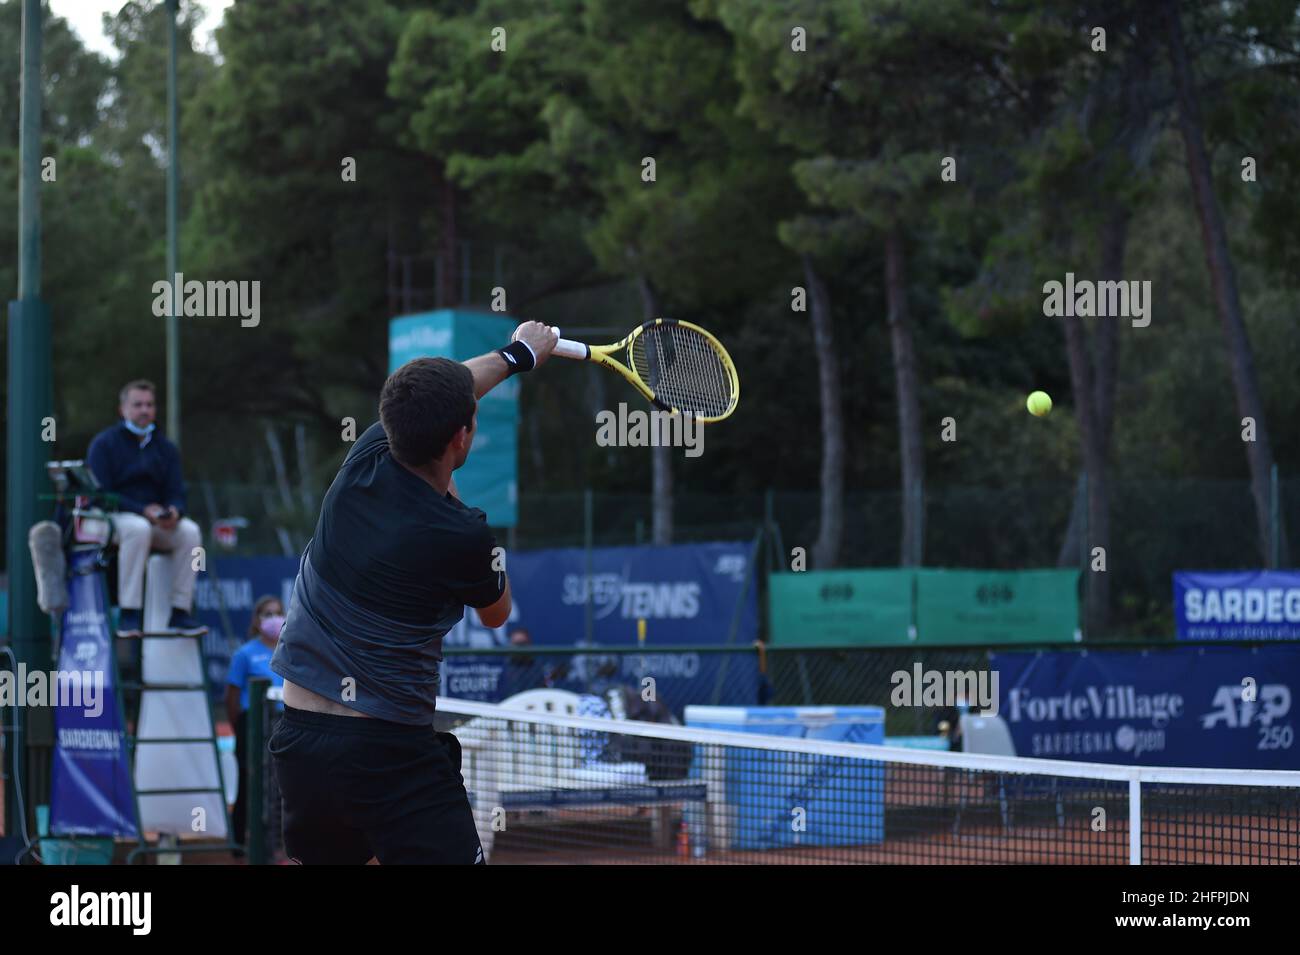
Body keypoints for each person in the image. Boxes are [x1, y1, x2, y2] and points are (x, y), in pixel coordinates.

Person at [269, 321, 558, 865]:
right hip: (387, 752)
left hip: (301, 742)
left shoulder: (362, 460)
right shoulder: (462, 534)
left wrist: (519, 354)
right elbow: (498, 612)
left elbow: (452, 390)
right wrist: (458, 499)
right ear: (461, 438)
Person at [87, 379, 207, 637]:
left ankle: (180, 611)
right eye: (137, 404)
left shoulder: (166, 448)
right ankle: (129, 613)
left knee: (190, 532)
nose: (144, 410)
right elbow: (100, 494)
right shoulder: (104, 444)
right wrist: (143, 510)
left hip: (154, 522)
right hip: (112, 519)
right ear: (123, 409)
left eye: (150, 405)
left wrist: (174, 511)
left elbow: (176, 491)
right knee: (138, 528)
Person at [225, 595, 286, 854]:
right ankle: (239, 845)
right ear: (256, 620)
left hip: (285, 726)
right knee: (248, 785)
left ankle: (282, 847)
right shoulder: (244, 654)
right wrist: (242, 728)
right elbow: (231, 697)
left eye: (277, 613)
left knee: (283, 787)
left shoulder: (291, 651)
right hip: (251, 727)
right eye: (267, 614)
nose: (273, 619)